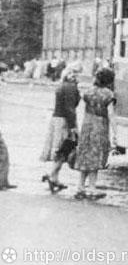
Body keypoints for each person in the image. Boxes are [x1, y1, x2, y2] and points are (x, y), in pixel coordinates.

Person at [73, 67, 117, 200]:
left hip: (87, 125)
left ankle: (80, 187)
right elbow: (111, 114)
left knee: (85, 155)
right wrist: (115, 133)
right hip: (100, 126)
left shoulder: (88, 92)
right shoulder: (108, 94)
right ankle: (92, 188)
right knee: (96, 156)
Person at [40, 64, 82, 193]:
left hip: (57, 119)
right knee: (64, 149)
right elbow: (70, 109)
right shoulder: (70, 87)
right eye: (76, 73)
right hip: (64, 121)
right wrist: (73, 127)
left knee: (61, 149)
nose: (78, 76)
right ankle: (52, 175)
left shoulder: (62, 85)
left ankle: (54, 177)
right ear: (71, 74)